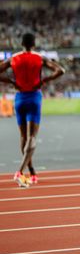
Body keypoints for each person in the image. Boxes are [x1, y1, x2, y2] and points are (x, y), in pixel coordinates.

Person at [0, 33, 65, 187]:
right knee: (32, 137)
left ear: (21, 44)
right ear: (34, 44)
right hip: (34, 97)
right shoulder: (40, 58)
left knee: (23, 137)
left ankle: (33, 172)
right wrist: (44, 80)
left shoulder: (13, 58)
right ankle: (20, 172)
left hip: (20, 98)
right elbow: (61, 70)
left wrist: (10, 81)